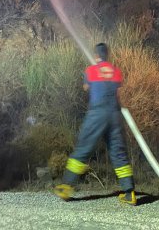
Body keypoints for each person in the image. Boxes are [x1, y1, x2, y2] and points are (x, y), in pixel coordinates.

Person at [54, 42, 136, 205]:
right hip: (114, 115)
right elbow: (117, 88)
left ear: (96, 56)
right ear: (107, 55)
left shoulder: (91, 70)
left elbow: (85, 88)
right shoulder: (116, 71)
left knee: (83, 148)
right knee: (118, 153)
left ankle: (66, 186)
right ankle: (129, 193)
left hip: (97, 114)